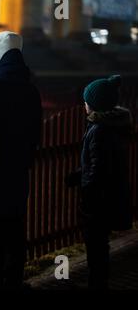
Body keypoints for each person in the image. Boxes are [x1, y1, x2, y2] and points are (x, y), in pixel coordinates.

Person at [0, 31, 42, 289]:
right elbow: (35, 133)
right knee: (16, 229)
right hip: (18, 172)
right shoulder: (31, 89)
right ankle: (13, 280)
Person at [67, 75, 133, 289]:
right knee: (100, 246)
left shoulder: (99, 130)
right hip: (109, 196)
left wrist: (86, 189)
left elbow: (98, 167)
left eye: (86, 101)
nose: (84, 104)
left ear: (95, 104)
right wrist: (80, 174)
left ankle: (97, 284)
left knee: (96, 247)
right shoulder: (111, 126)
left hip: (98, 201)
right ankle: (99, 281)